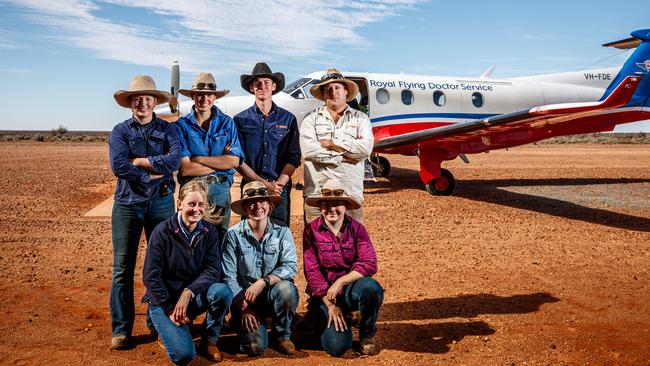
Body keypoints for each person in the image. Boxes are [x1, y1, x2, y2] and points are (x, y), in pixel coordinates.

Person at [109, 75, 181, 349]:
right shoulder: (120, 131)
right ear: (130, 103)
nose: (142, 102)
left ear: (155, 101)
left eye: (147, 98)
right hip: (127, 204)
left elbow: (174, 160)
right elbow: (118, 166)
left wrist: (140, 162)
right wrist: (151, 174)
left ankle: (158, 323)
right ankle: (122, 328)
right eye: (137, 98)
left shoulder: (168, 130)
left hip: (161, 203)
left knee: (161, 264)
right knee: (122, 268)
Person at [142, 181, 233, 364]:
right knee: (183, 356)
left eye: (200, 205)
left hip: (190, 297)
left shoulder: (209, 232)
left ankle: (209, 340)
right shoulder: (162, 232)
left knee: (222, 292)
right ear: (179, 203)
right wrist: (169, 308)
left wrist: (188, 292)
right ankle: (160, 324)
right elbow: (151, 276)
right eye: (191, 204)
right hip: (165, 301)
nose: (196, 209)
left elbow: (212, 270)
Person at [302, 179, 384, 357]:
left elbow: (369, 263)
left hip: (349, 291)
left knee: (371, 287)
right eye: (326, 203)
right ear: (320, 205)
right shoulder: (311, 231)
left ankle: (367, 335)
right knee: (338, 347)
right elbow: (312, 272)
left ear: (345, 205)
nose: (332, 209)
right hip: (325, 297)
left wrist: (340, 282)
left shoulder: (357, 229)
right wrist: (330, 305)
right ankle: (332, 318)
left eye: (337, 203)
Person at [221, 181, 299, 356]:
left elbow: (290, 265)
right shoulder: (233, 235)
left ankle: (282, 335)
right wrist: (244, 308)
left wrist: (264, 282)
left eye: (262, 201)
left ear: (269, 205)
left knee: (287, 290)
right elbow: (228, 276)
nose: (257, 206)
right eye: (251, 202)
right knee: (255, 348)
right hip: (245, 300)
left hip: (272, 294)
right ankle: (245, 323)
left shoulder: (282, 231)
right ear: (245, 207)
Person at [299, 68, 374, 223]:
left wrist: (331, 144)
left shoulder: (361, 118)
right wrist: (344, 157)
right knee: (317, 244)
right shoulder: (310, 119)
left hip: (350, 195)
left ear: (346, 91)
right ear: (323, 95)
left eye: (337, 88)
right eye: (328, 89)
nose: (333, 92)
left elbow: (365, 149)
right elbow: (309, 151)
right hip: (316, 195)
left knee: (351, 244)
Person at [175, 72, 244, 238]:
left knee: (219, 238)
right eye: (199, 94)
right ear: (192, 96)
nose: (204, 98)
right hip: (191, 188)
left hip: (220, 190)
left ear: (214, 97)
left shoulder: (227, 123)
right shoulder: (181, 126)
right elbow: (186, 169)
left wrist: (198, 159)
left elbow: (234, 160)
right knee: (190, 237)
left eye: (208, 94)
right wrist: (220, 162)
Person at [234, 62, 301, 226]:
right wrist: (263, 184)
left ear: (274, 86)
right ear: (251, 87)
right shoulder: (240, 120)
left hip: (280, 187)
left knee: (279, 231)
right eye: (257, 83)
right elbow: (238, 159)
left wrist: (278, 185)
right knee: (250, 232)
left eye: (266, 82)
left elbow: (294, 156)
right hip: (251, 186)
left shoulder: (288, 119)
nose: (262, 86)